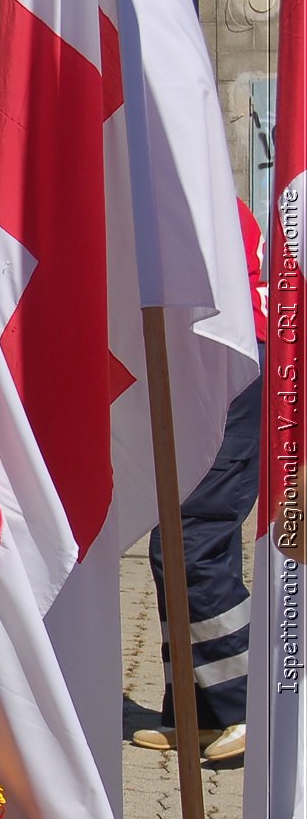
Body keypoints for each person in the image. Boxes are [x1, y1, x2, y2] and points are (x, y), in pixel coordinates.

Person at [131, 199, 267, 763]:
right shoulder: (170, 187)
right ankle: (199, 711)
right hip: (204, 370)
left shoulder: (188, 189)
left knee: (191, 543)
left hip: (230, 368)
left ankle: (247, 708)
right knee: (182, 544)